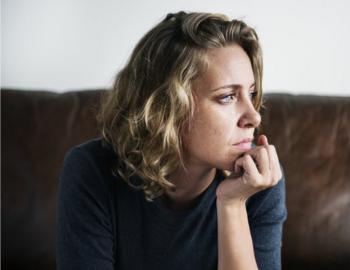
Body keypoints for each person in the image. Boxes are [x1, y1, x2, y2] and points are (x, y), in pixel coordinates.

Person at [56, 11, 286, 270]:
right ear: (167, 108)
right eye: (227, 97)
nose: (254, 116)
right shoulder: (91, 170)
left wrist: (232, 204)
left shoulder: (259, 180)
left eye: (251, 93)